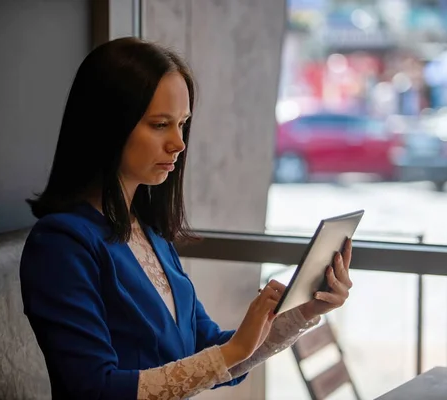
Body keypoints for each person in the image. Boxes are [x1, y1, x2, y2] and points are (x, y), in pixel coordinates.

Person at [19, 37, 354, 400]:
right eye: (160, 124)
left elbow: (208, 351)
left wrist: (302, 311)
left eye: (182, 124)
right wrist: (233, 350)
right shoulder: (60, 243)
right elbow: (93, 389)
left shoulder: (148, 234)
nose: (178, 143)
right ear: (109, 126)